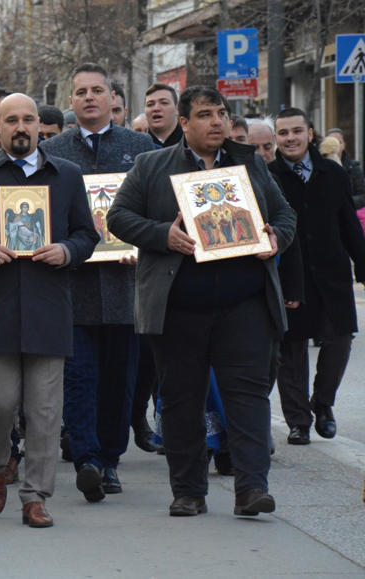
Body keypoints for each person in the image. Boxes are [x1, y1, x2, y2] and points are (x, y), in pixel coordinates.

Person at [106, 85, 296, 518]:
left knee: (247, 397)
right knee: (181, 400)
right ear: (185, 123)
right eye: (206, 114)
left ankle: (252, 488)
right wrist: (163, 235)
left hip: (244, 303)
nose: (217, 122)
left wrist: (275, 237)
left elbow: (285, 214)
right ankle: (189, 491)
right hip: (178, 307)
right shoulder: (151, 165)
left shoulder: (249, 163)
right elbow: (118, 217)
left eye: (222, 113)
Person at [0, 93, 99, 528]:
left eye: (28, 119)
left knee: (45, 409)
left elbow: (88, 234)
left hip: (48, 306)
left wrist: (67, 251)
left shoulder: (66, 174)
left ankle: (35, 496)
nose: (21, 127)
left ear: (39, 127)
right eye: (11, 120)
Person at [41, 62, 155, 501]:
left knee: (120, 382)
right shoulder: (52, 150)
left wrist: (144, 240)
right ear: (70, 101)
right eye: (81, 92)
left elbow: (155, 208)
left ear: (113, 99)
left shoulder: (140, 147)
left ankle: (110, 460)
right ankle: (86, 459)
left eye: (97, 91)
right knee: (79, 378)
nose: (89, 98)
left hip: (127, 285)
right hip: (73, 286)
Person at [270, 108, 365, 445]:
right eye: (283, 133)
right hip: (289, 277)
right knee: (291, 350)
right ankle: (298, 421)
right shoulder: (269, 176)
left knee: (340, 339)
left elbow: (349, 225)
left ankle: (323, 402)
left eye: (297, 131)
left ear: (310, 133)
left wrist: (362, 266)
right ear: (276, 138)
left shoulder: (333, 173)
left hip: (332, 275)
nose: (290, 138)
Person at [324, 128, 365, 208]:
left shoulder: (354, 168)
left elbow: (362, 197)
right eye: (331, 142)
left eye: (338, 142)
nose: (335, 146)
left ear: (344, 145)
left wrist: (344, 201)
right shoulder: (318, 166)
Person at [144, 82, 183, 148]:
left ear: (177, 110)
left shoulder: (192, 144)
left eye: (164, 103)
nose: (156, 108)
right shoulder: (137, 147)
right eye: (150, 104)